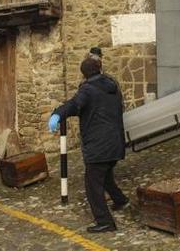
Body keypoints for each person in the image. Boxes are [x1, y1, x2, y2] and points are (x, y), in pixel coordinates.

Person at [48, 58, 129, 233]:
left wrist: (57, 114)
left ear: (83, 73)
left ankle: (105, 221)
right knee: (105, 174)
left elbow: (74, 105)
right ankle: (120, 200)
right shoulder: (112, 86)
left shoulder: (87, 90)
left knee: (92, 185)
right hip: (116, 141)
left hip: (98, 144)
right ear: (99, 68)